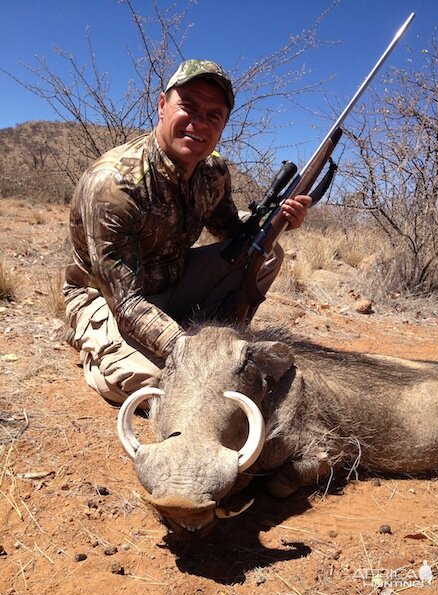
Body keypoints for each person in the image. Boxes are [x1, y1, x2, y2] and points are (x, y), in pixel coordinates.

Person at [63, 59, 311, 405]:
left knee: (264, 252)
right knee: (161, 384)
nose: (199, 123)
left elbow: (230, 233)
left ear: (223, 126)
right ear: (162, 106)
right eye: (189, 107)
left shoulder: (213, 171)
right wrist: (190, 354)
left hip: (170, 280)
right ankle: (100, 357)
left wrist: (277, 221)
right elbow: (127, 302)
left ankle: (222, 343)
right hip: (106, 299)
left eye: (214, 115)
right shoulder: (113, 185)